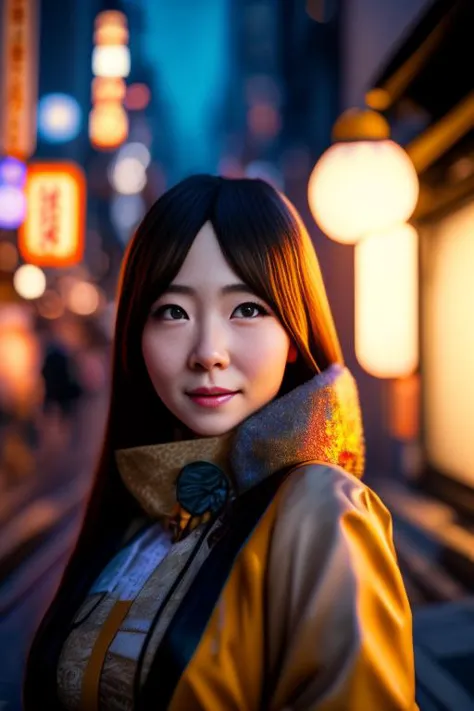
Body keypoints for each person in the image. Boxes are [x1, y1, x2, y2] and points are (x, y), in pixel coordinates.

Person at [23, 175, 417, 711]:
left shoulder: (323, 510)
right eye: (173, 312)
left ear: (294, 336)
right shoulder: (147, 507)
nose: (209, 351)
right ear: (136, 336)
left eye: (248, 309)